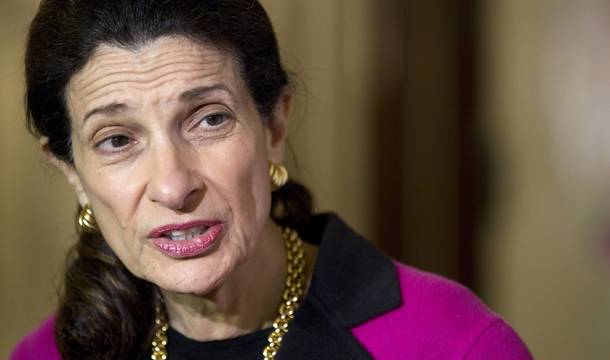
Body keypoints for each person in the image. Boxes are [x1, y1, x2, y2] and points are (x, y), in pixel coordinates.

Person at [10, 0, 533, 359]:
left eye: (209, 118)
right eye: (117, 140)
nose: (173, 186)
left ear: (275, 125)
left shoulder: (457, 344)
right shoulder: (44, 354)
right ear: (72, 171)